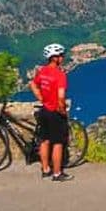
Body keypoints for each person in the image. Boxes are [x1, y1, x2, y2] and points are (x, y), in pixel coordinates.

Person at [30, 43, 74, 182]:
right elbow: (61, 98)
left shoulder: (42, 71)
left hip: (44, 111)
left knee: (44, 140)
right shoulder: (60, 75)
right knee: (58, 143)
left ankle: (45, 169)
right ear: (54, 58)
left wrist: (40, 97)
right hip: (54, 112)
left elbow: (33, 84)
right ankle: (57, 173)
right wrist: (63, 112)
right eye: (61, 55)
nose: (63, 57)